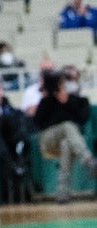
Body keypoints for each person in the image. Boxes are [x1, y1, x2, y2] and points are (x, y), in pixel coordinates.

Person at [33, 70, 97, 203]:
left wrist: (67, 102)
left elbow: (82, 119)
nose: (68, 84)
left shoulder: (81, 101)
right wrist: (53, 99)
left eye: (71, 80)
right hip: (48, 141)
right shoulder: (48, 100)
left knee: (66, 144)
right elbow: (38, 122)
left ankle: (63, 193)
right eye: (65, 81)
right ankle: (88, 160)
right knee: (67, 126)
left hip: (70, 142)